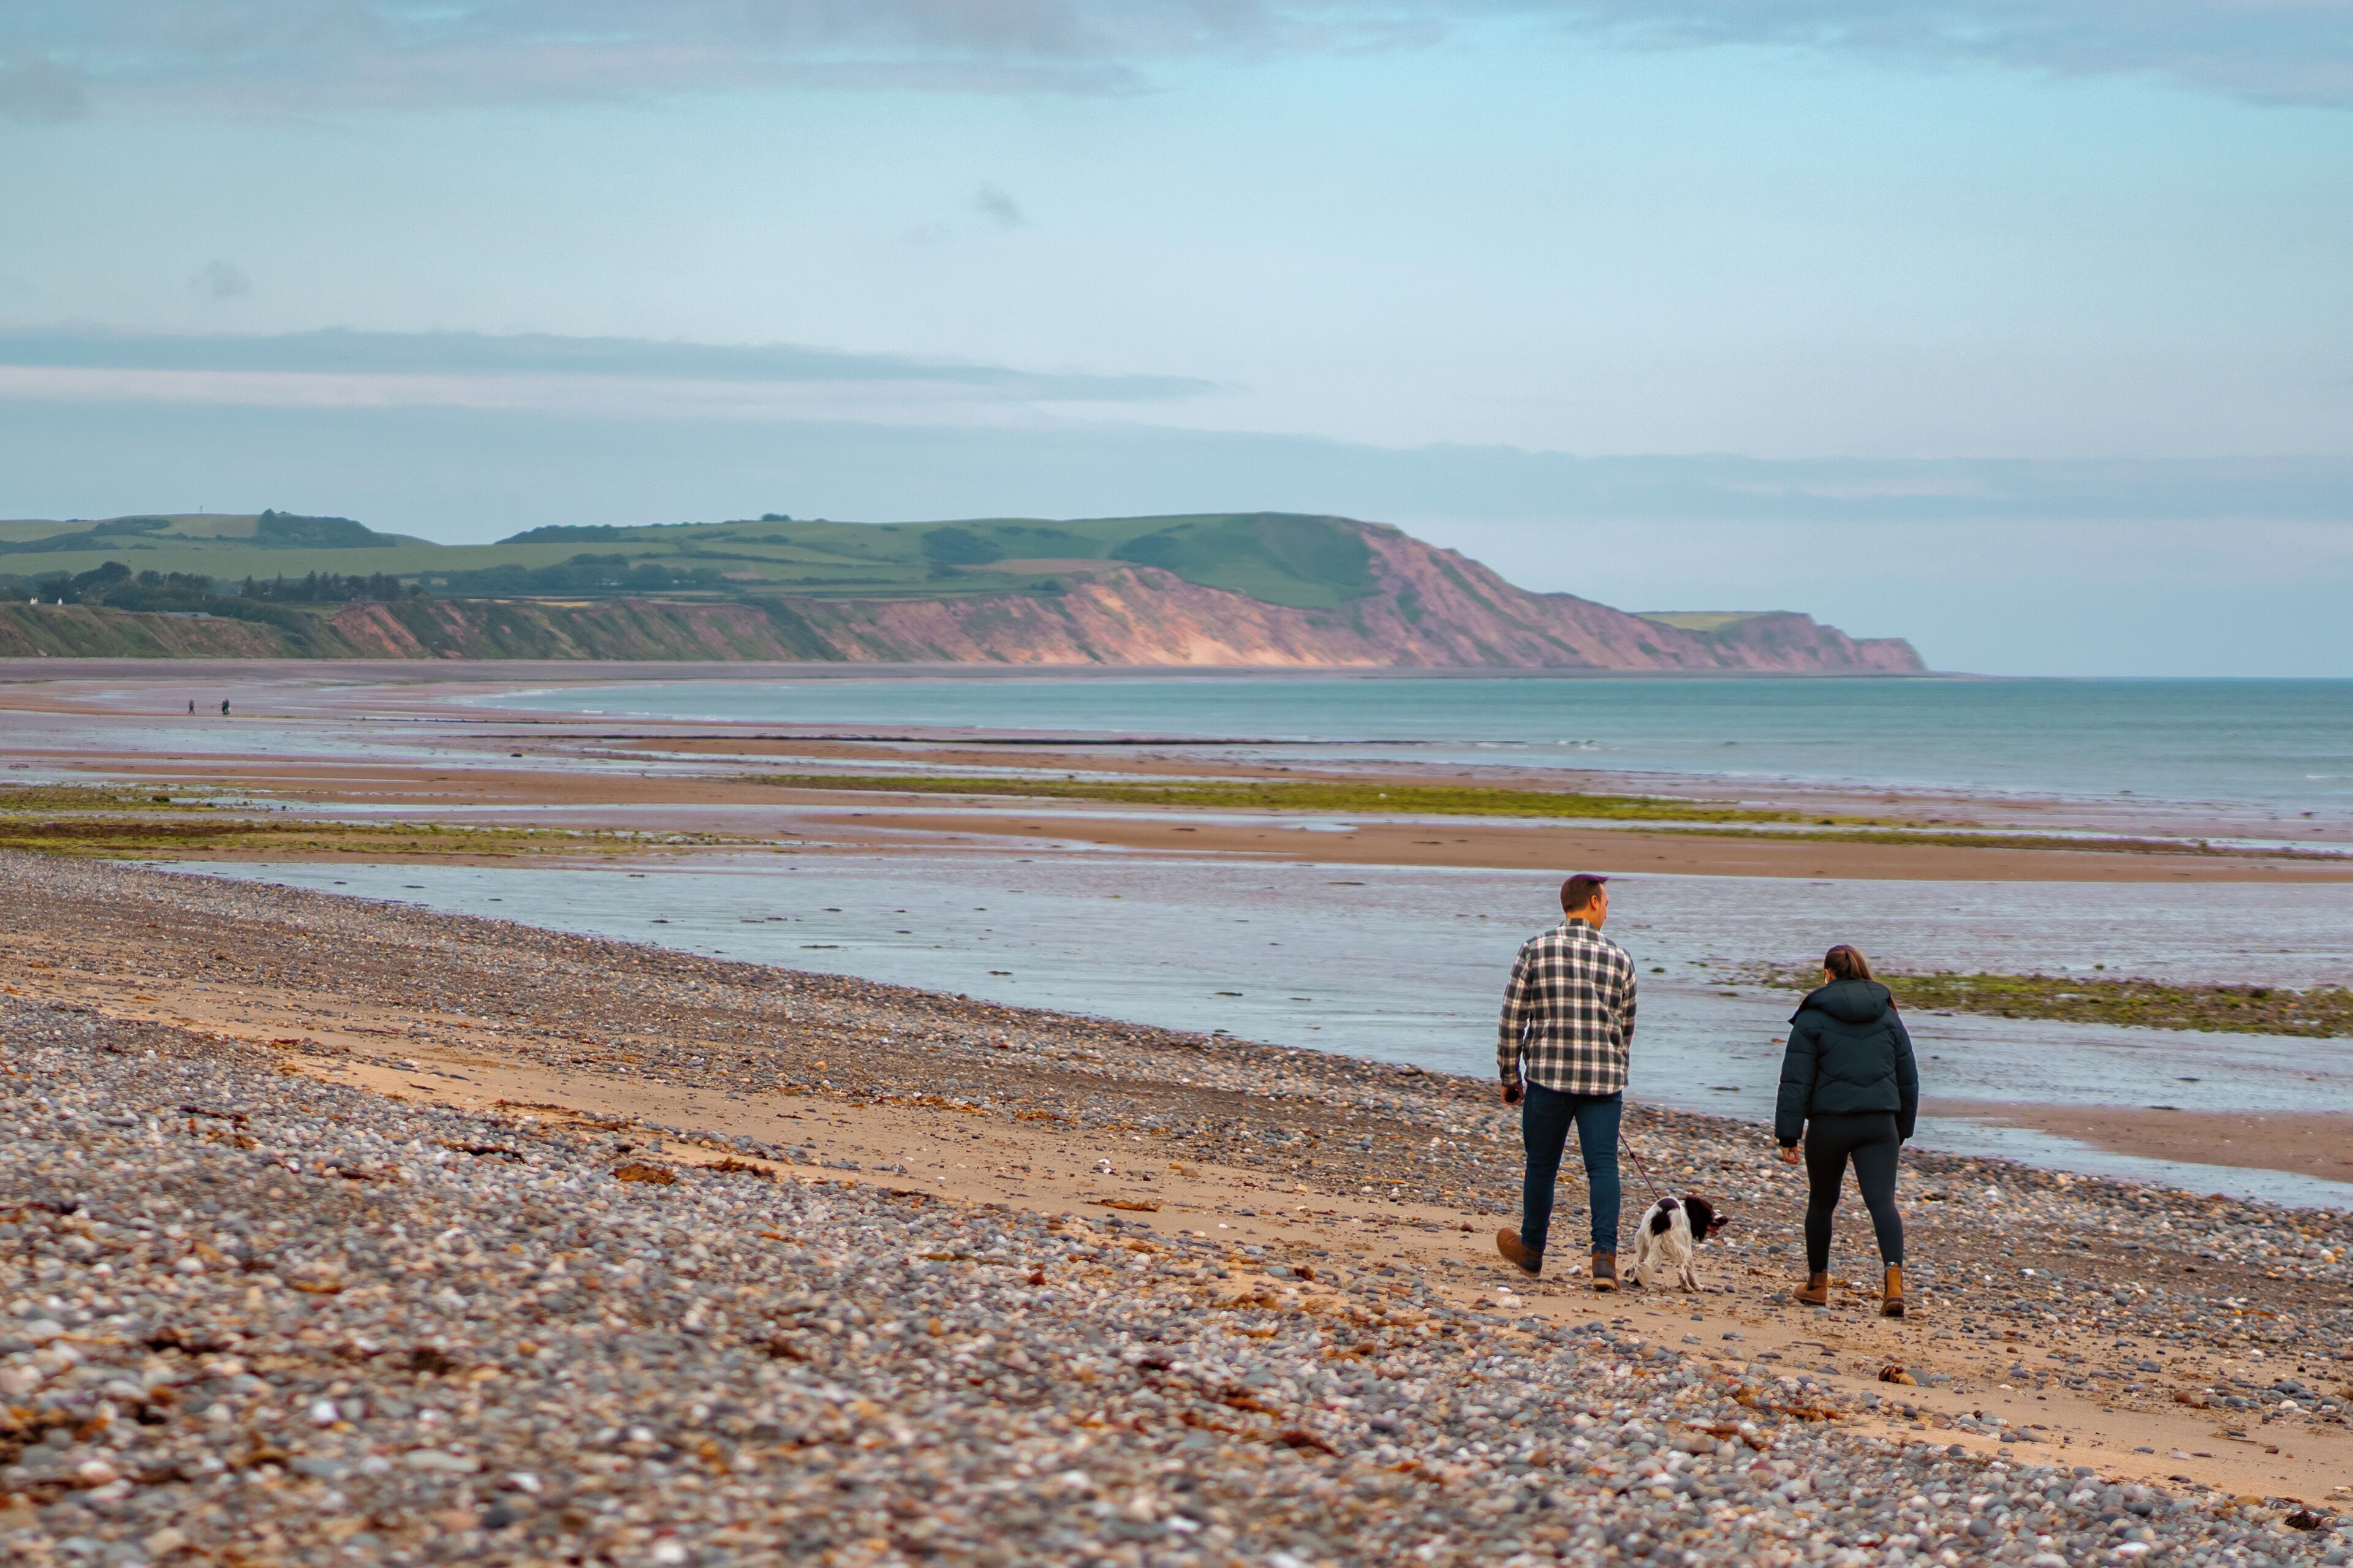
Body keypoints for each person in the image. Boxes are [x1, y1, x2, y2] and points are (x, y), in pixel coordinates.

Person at [1495, 873, 1638, 1290]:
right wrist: (1613, 1063)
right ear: (1592, 902)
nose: (1608, 909)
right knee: (1602, 1166)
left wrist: (1510, 1074)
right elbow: (1626, 1026)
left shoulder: (1535, 949)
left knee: (1542, 1164)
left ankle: (1532, 1250)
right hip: (1603, 1081)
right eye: (1607, 902)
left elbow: (1512, 1017)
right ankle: (1604, 1259)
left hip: (1549, 1077)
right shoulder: (1619, 957)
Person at [1774, 944, 1919, 1317]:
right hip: (1879, 1123)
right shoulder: (1888, 1014)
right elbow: (1909, 1077)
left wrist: (1788, 1135)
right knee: (1882, 1203)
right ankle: (1893, 1286)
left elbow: (1795, 1079)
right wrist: (1902, 1128)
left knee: (1822, 1202)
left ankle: (1818, 1284)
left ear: (1827, 974)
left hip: (1830, 1124)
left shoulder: (1813, 1014)